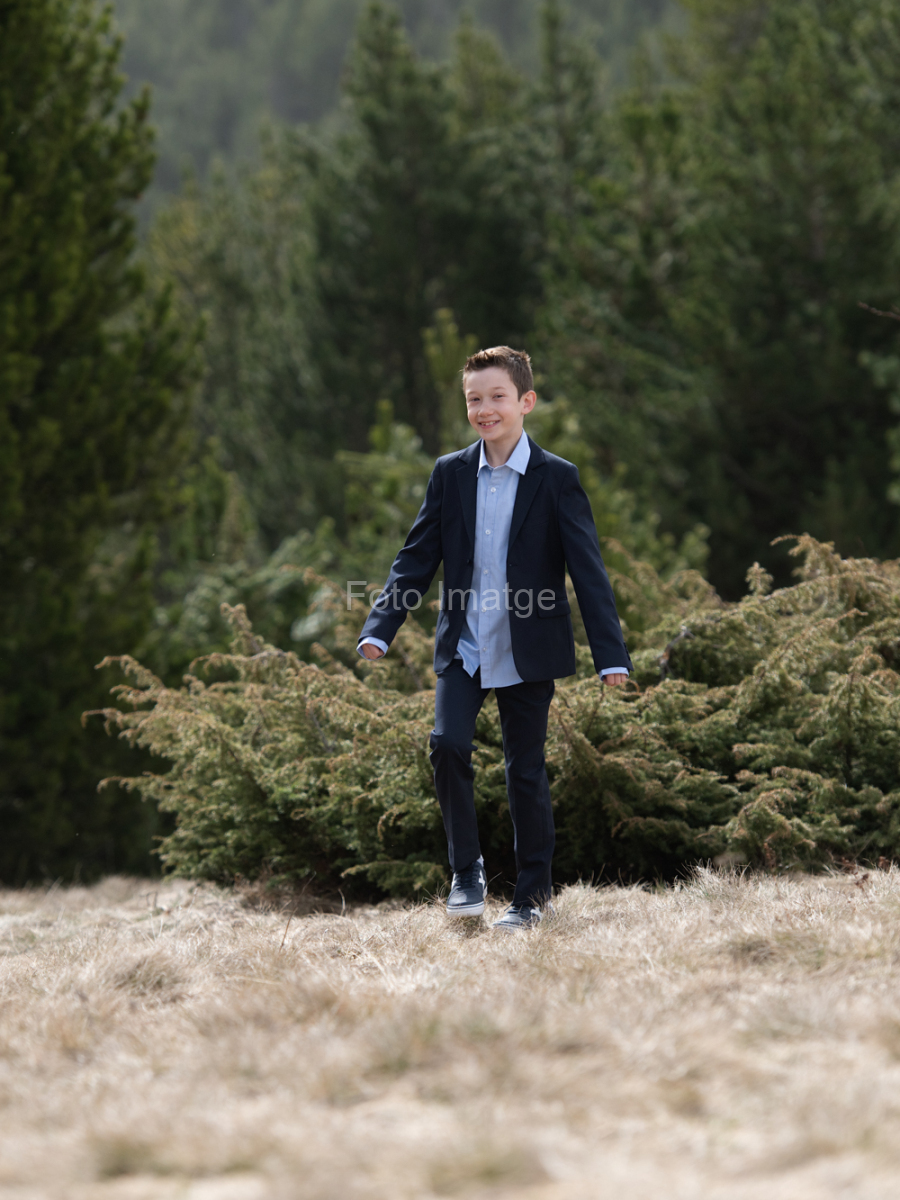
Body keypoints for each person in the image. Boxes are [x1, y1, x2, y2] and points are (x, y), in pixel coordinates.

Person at [357, 347, 631, 931]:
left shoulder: (557, 478)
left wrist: (610, 656)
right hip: (465, 644)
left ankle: (532, 898)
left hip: (529, 648)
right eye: (474, 399)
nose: (484, 409)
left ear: (525, 401)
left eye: (497, 397)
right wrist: (381, 626)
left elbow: (588, 572)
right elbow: (416, 558)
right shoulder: (450, 472)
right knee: (447, 745)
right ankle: (467, 871)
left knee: (523, 770)